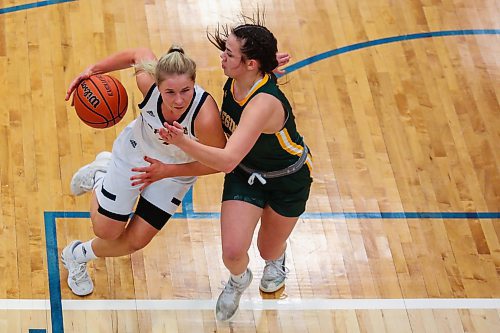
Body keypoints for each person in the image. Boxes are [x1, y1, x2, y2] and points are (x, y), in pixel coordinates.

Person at [154, 20, 313, 321]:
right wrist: (264, 67)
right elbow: (234, 162)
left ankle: (276, 257)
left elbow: (226, 160)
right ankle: (239, 279)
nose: (222, 58)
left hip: (287, 179)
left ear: (250, 64)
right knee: (232, 251)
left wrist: (182, 141)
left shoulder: (263, 103)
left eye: (228, 54)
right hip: (247, 172)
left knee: (267, 249)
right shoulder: (242, 78)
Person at [61, 46, 226, 296]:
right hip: (134, 155)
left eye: (185, 90)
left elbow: (220, 162)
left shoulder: (204, 116)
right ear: (157, 85)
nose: (179, 100)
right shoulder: (147, 83)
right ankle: (100, 174)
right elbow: (137, 54)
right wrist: (91, 71)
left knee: (136, 240)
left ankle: (76, 255)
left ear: (194, 83)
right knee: (106, 230)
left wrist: (166, 170)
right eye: (170, 92)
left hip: (175, 172)